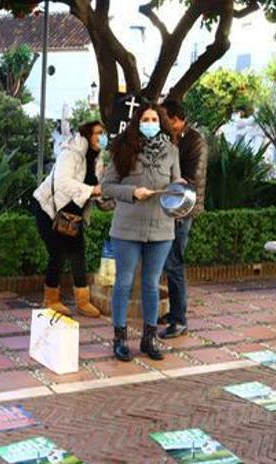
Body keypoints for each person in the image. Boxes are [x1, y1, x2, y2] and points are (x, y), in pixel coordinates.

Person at [101, 103, 181, 362]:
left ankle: (149, 338)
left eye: (154, 119)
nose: (150, 122)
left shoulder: (171, 151)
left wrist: (179, 187)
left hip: (161, 229)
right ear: (137, 122)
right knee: (123, 283)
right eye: (145, 118)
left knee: (151, 284)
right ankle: (120, 338)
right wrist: (132, 192)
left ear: (161, 122)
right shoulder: (122, 148)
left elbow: (175, 187)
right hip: (127, 228)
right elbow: (107, 186)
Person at [32, 121, 105, 318]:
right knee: (58, 252)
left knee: (78, 253)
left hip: (73, 213)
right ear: (87, 135)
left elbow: (97, 189)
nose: (102, 137)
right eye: (98, 133)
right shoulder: (71, 153)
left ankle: (82, 301)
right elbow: (63, 182)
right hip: (50, 208)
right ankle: (50, 299)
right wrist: (92, 190)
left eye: (104, 133)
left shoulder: (97, 159)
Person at [158, 101, 208, 339]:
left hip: (182, 211)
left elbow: (190, 179)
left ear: (177, 119)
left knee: (174, 263)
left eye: (165, 119)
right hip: (171, 208)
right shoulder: (173, 138)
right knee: (169, 263)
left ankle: (179, 320)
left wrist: (162, 183)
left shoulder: (194, 141)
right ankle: (174, 313)